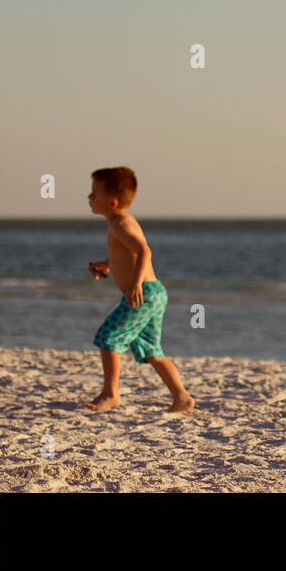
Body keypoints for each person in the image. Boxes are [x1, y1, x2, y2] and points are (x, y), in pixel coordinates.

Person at [84, 166, 193, 413]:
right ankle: (182, 397)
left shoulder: (120, 224)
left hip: (143, 293)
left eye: (94, 193)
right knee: (151, 349)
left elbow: (144, 250)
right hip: (154, 293)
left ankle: (111, 394)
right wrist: (107, 264)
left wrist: (135, 283)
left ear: (111, 202)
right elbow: (127, 254)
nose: (89, 197)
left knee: (108, 338)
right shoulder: (120, 222)